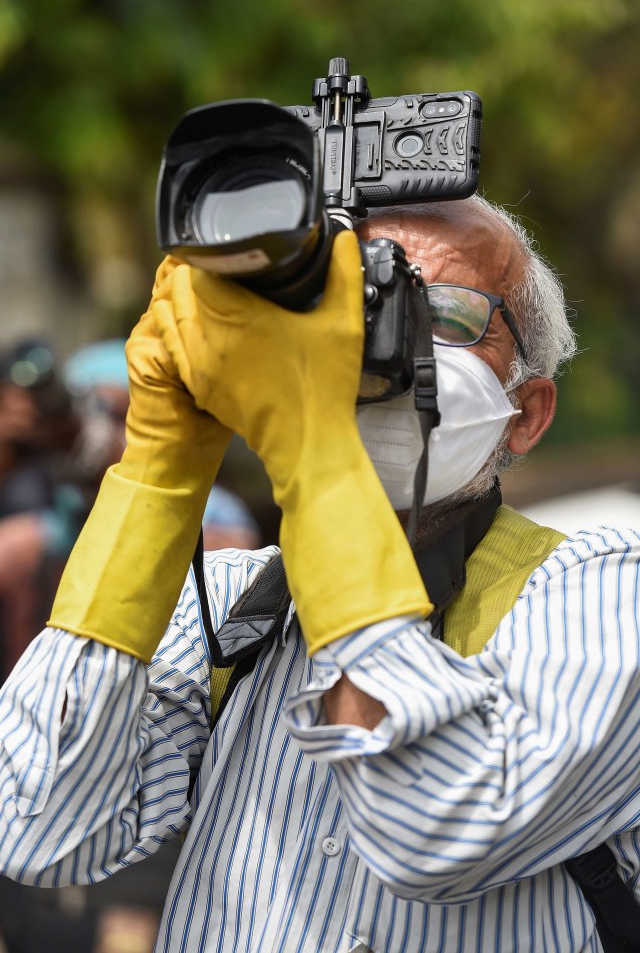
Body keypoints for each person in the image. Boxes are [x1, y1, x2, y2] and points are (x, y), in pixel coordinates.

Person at [0, 193, 638, 953]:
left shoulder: (596, 594)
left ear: (527, 412)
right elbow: (38, 825)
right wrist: (160, 467)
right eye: (355, 304)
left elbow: (432, 829)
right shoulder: (236, 603)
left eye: (446, 315)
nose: (382, 347)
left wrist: (318, 456)